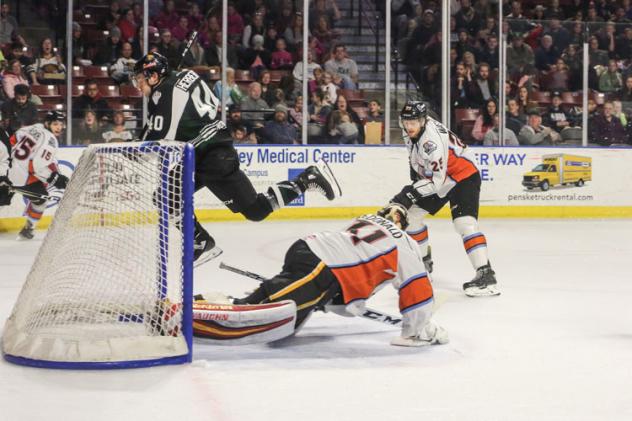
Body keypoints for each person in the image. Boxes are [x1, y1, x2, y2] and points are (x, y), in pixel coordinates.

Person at [132, 53, 341, 265]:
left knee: (255, 210)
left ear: (154, 75)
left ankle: (305, 180)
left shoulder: (165, 92)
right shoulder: (186, 75)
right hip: (204, 153)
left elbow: (160, 135)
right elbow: (212, 104)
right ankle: (200, 241)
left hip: (212, 157)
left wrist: (135, 149)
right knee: (166, 196)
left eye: (140, 78)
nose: (138, 85)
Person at [227, 208, 449, 347]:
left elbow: (354, 259)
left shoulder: (365, 220)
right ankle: (226, 307)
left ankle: (256, 297)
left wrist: (337, 301)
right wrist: (418, 330)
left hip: (306, 248)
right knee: (266, 307)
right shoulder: (403, 241)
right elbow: (415, 286)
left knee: (282, 328)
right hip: (324, 267)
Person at [379, 100, 500, 297]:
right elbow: (415, 156)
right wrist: (414, 179)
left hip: (463, 175)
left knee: (464, 224)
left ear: (423, 120)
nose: (409, 126)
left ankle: (486, 275)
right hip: (441, 177)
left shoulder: (431, 142)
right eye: (406, 122)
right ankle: (423, 265)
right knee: (412, 215)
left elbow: (436, 182)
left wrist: (408, 194)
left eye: (413, 122)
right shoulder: (410, 129)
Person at [0, 111, 68, 240]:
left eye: (61, 124)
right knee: (41, 200)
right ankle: (28, 230)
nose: (59, 127)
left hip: (4, 170)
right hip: (20, 177)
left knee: (2, 199)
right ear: (47, 123)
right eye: (55, 124)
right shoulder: (51, 140)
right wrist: (53, 178)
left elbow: (12, 140)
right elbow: (37, 166)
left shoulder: (33, 127)